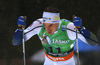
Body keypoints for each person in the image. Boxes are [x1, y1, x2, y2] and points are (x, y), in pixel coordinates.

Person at [12, 6, 98, 65]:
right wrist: (20, 29)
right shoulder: (38, 25)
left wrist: (81, 29)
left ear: (58, 22)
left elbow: (94, 42)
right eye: (45, 25)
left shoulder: (69, 27)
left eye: (50, 25)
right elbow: (16, 42)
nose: (47, 29)